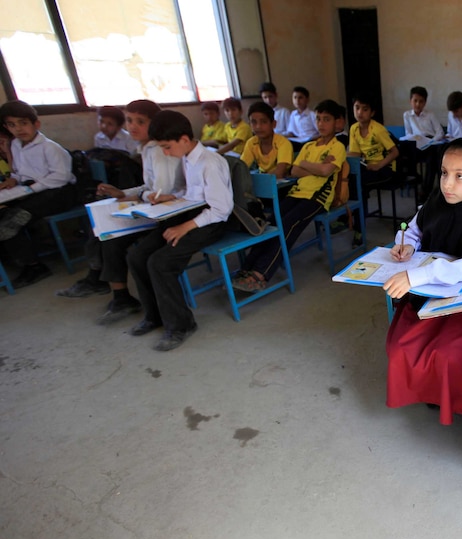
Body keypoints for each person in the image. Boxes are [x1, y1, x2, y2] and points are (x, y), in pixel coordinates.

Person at [384, 139, 462, 424]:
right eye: (443, 173)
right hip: (428, 297)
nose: (447, 184)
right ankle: (429, 391)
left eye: (460, 176)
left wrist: (416, 275)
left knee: (450, 353)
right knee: (401, 347)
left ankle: (454, 401)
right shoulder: (434, 205)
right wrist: (407, 246)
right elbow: (412, 231)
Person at [57, 100, 185, 328]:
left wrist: (136, 197)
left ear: (155, 124)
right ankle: (118, 295)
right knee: (105, 230)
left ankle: (116, 293)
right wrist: (122, 194)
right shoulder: (146, 149)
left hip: (165, 213)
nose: (133, 126)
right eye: (129, 120)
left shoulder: (159, 150)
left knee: (112, 237)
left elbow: (160, 193)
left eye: (140, 122)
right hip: (154, 208)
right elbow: (149, 189)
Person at [126, 110, 233, 351]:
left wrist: (185, 226)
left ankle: (181, 325)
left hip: (211, 221)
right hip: (190, 212)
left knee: (160, 263)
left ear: (184, 139)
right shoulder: (186, 158)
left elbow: (222, 209)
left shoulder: (210, 162)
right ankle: (154, 316)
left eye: (166, 147)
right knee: (137, 256)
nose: (165, 153)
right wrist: (170, 197)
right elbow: (192, 192)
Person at [231, 100, 346, 293]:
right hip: (297, 193)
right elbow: (293, 171)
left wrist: (308, 165)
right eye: (318, 119)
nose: (321, 124)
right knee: (271, 223)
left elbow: (326, 171)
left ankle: (261, 273)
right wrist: (316, 167)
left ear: (337, 122)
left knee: (288, 225)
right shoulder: (309, 146)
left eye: (326, 119)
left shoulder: (338, 146)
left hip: (317, 198)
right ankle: (247, 268)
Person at [0, 100, 76, 288]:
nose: (18, 129)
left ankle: (34, 267)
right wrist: (14, 180)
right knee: (3, 215)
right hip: (30, 191)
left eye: (23, 123)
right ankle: (22, 260)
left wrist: (32, 188)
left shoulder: (50, 147)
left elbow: (62, 177)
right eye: (12, 125)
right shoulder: (16, 145)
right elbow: (20, 171)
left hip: (58, 193)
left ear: (36, 124)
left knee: (12, 220)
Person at [348, 92, 398, 187]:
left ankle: (363, 201)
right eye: (357, 107)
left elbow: (395, 152)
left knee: (359, 180)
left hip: (385, 167)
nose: (359, 112)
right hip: (367, 166)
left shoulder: (378, 129)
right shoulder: (353, 128)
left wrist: (378, 165)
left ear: (372, 113)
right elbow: (356, 153)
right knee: (348, 176)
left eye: (365, 109)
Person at [240, 101, 293, 180]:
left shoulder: (283, 143)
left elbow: (279, 173)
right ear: (249, 125)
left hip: (282, 184)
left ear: (273, 124)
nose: (258, 127)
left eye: (264, 122)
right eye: (254, 122)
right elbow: (241, 168)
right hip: (263, 179)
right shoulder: (251, 143)